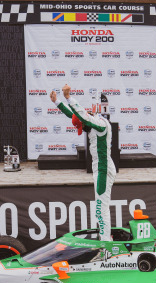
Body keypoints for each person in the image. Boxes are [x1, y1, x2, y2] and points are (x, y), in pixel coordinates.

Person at [50, 85, 116, 241]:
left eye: (82, 127)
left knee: (101, 210)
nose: (83, 130)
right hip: (100, 167)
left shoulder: (100, 125)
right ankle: (105, 237)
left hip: (103, 169)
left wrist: (68, 97)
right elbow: (74, 115)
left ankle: (106, 243)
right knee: (100, 208)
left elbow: (82, 116)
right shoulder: (92, 121)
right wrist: (57, 102)